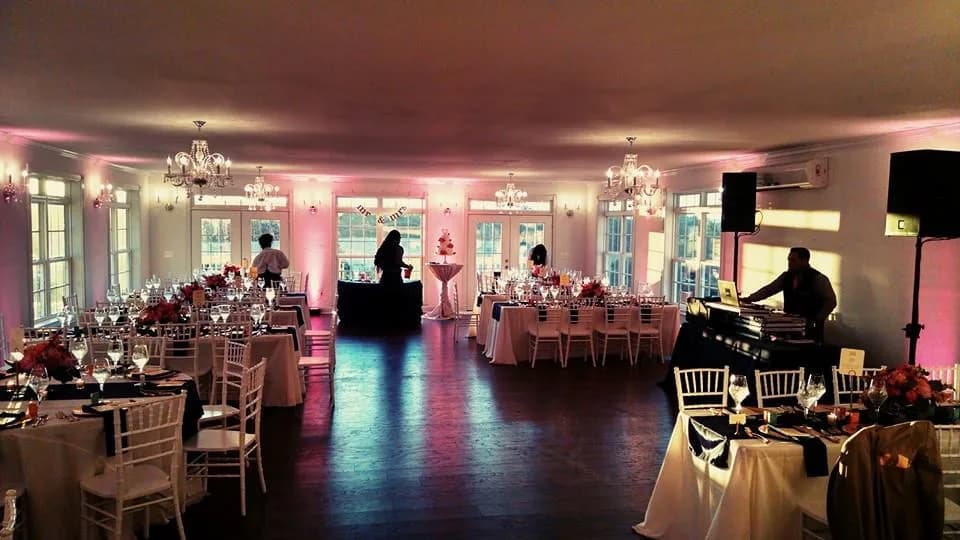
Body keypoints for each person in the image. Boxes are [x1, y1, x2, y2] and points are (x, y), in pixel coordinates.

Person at [741, 246, 837, 342]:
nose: (789, 263)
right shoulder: (786, 276)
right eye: (789, 260)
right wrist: (749, 299)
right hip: (789, 326)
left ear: (804, 261)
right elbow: (769, 290)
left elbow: (831, 301)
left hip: (809, 329)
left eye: (793, 260)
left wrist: (817, 319)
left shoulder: (818, 278)